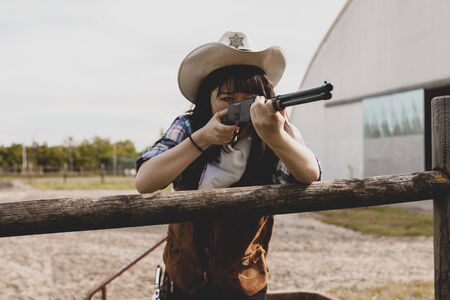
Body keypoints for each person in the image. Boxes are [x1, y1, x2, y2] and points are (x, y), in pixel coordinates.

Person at [135, 31, 322, 300]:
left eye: (249, 98)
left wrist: (275, 136)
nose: (239, 106)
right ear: (207, 99)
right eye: (227, 98)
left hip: (244, 285)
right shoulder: (189, 126)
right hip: (183, 282)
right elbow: (145, 181)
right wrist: (202, 139)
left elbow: (309, 173)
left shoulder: (277, 130)